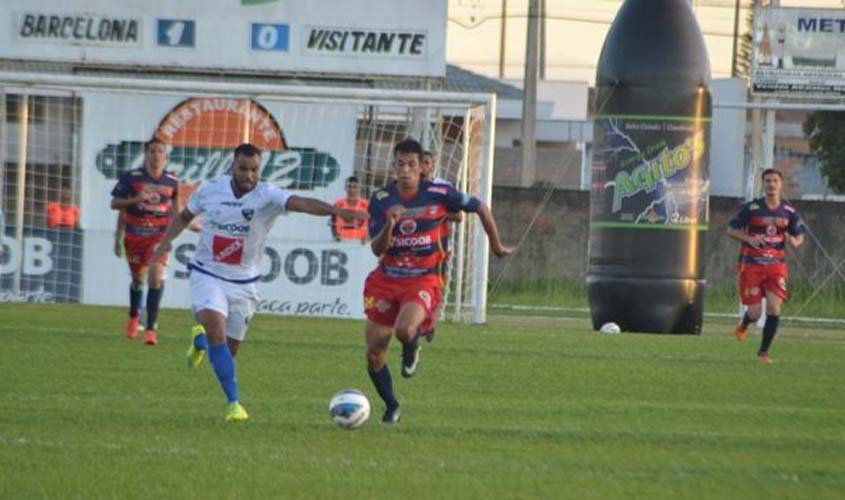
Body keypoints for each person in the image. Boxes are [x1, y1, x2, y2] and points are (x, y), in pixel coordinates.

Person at [151, 143, 365, 422]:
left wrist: (340, 213)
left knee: (227, 349)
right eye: (243, 168)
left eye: (254, 169)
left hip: (244, 282)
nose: (249, 175)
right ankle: (234, 404)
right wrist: (164, 245)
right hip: (207, 273)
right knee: (214, 321)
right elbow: (184, 217)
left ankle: (201, 341)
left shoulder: (267, 195)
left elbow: (303, 203)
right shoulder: (211, 189)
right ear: (232, 166)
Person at [364, 138, 512, 424]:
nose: (405, 170)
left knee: (405, 330)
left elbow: (480, 206)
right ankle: (391, 404)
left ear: (422, 168)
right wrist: (389, 225)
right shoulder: (381, 199)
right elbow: (376, 249)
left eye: (411, 165)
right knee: (374, 353)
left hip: (423, 278)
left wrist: (496, 245)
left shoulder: (439, 192)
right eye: (400, 164)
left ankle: (413, 344)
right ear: (393, 166)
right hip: (386, 279)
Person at [727, 168, 805, 365]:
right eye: (768, 181)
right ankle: (744, 324)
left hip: (776, 266)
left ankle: (763, 353)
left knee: (773, 306)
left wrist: (794, 242)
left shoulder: (789, 211)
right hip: (752, 264)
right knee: (755, 313)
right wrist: (748, 238)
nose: (771, 184)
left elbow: (799, 236)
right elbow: (731, 229)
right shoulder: (752, 208)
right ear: (764, 184)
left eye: (775, 181)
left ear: (781, 184)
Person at [110, 137, 180, 346]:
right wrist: (135, 200)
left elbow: (177, 212)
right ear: (146, 154)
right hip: (135, 236)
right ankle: (133, 315)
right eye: (152, 151)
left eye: (160, 151)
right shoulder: (131, 178)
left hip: (159, 236)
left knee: (156, 277)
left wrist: (188, 226)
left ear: (166, 156)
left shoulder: (172, 181)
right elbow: (115, 204)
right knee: (138, 279)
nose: (156, 155)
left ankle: (150, 329)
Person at [331, 176, 369, 243]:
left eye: (354, 187)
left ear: (359, 189)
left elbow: (373, 223)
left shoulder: (366, 205)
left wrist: (367, 237)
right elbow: (333, 224)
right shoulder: (338, 204)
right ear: (345, 188)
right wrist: (337, 238)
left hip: (361, 242)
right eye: (349, 186)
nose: (351, 189)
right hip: (342, 241)